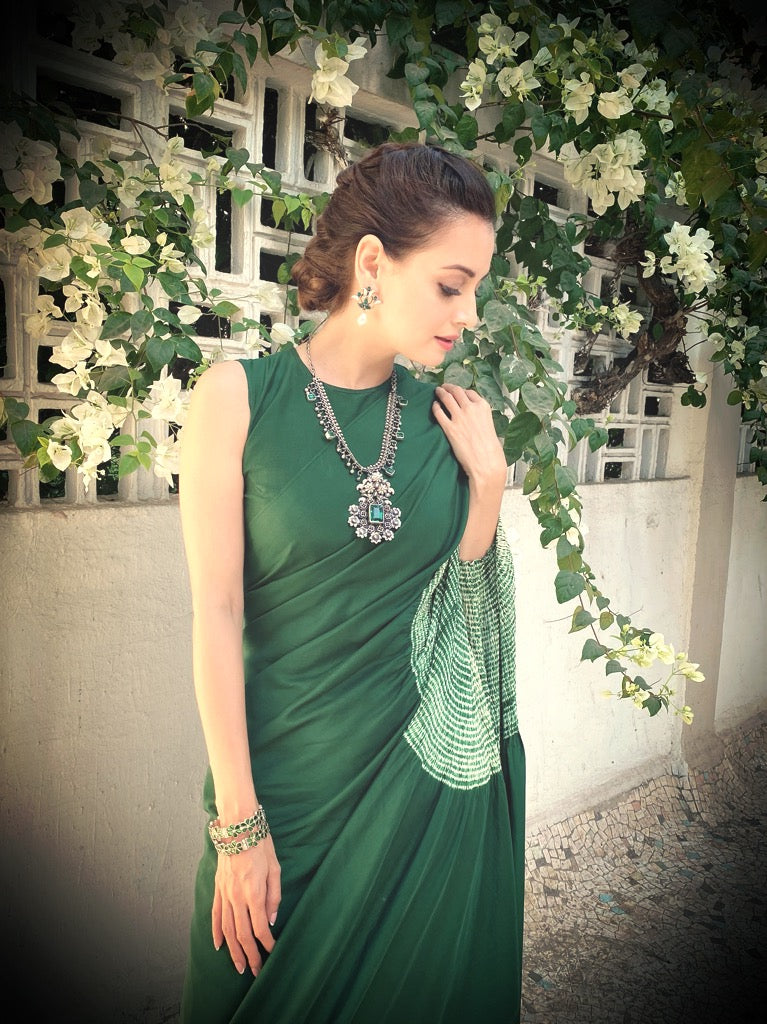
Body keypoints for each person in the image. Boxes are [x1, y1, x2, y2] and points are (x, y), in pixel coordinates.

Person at [178, 141, 525, 1023]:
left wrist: (487, 488)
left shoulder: (447, 424)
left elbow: (458, 616)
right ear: (372, 263)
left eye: (475, 291)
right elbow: (215, 615)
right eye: (451, 286)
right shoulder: (236, 397)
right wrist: (239, 827)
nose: (469, 315)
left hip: (416, 795)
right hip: (282, 796)